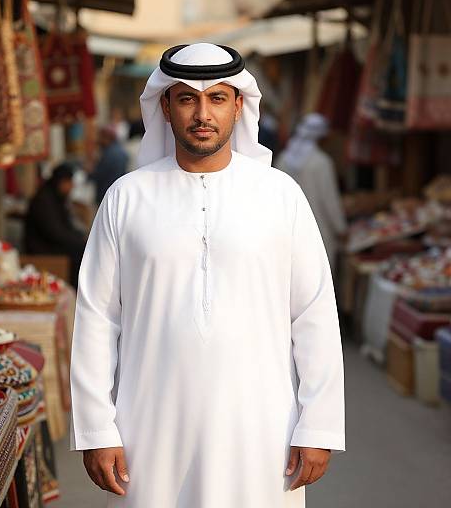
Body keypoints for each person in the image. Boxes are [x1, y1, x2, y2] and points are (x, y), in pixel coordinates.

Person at [70, 43, 345, 508]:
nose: (203, 113)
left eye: (217, 98)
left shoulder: (280, 195)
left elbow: (313, 312)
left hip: (262, 430)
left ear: (239, 105)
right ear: (165, 106)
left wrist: (318, 424)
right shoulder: (127, 197)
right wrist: (97, 428)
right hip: (150, 429)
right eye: (187, 99)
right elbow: (97, 318)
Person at [276, 113, 347, 272]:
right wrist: (341, 229)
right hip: (318, 233)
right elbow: (330, 201)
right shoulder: (321, 163)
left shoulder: (283, 159)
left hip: (286, 233)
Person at [25, 162, 86, 287]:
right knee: (79, 251)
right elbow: (54, 232)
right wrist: (77, 240)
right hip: (41, 247)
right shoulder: (44, 200)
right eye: (69, 182)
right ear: (61, 182)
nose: (71, 186)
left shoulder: (57, 197)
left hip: (52, 242)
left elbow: (66, 225)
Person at [90, 125, 129, 205]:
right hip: (118, 193)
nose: (98, 140)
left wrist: (89, 171)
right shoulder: (121, 151)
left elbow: (98, 175)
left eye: (100, 137)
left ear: (106, 138)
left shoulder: (109, 154)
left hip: (107, 194)